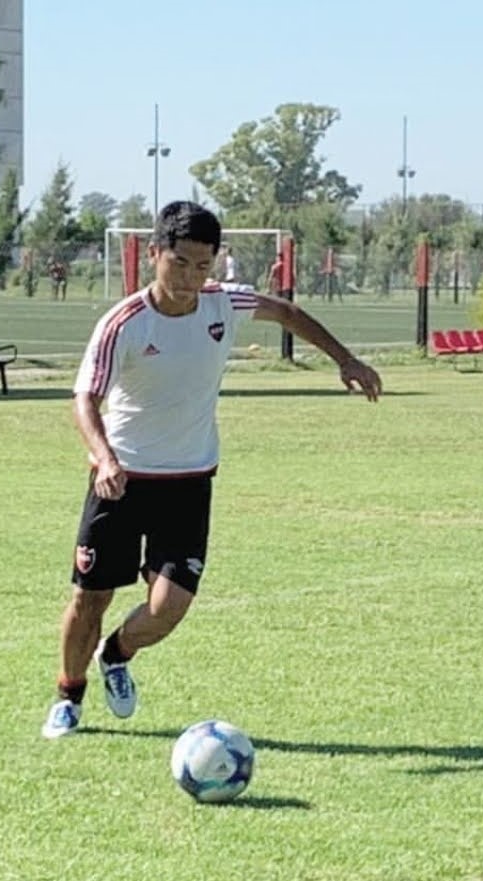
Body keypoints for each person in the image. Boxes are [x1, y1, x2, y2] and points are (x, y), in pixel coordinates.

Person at [41, 201, 382, 738]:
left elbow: (288, 313)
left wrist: (345, 359)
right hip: (122, 480)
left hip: (190, 483)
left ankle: (116, 654)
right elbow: (85, 398)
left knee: (169, 607)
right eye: (179, 263)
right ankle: (68, 696)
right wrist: (105, 458)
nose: (190, 278)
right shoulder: (123, 323)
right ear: (153, 254)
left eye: (203, 267)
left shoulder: (223, 305)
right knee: (91, 598)